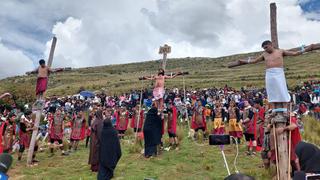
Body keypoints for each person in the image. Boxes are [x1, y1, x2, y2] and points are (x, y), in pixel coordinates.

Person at [240, 41, 314, 111]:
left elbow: (294, 53)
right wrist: (243, 61)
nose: (265, 49)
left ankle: (285, 108)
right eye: (264, 48)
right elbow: (254, 61)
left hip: (279, 72)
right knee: (271, 90)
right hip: (269, 73)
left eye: (266, 47)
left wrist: (305, 49)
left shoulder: (280, 51)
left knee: (282, 88)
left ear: (271, 45)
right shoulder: (264, 54)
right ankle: (274, 108)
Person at [97, 112, 122, 180]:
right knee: (110, 164)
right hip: (112, 153)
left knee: (103, 169)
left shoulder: (103, 131)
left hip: (104, 154)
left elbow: (100, 142)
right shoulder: (114, 131)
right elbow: (117, 143)